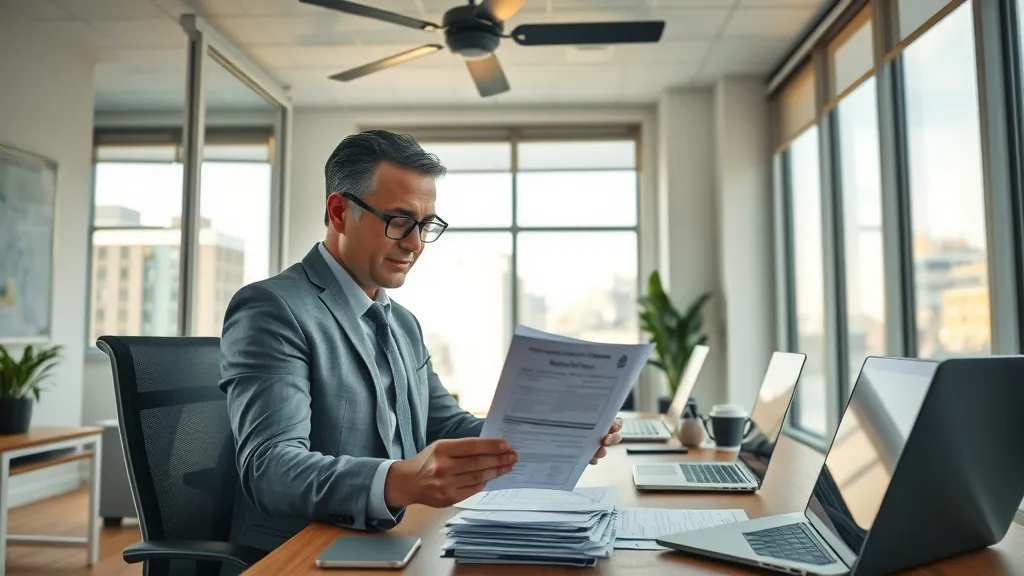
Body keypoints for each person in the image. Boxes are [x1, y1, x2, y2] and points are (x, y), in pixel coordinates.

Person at [219, 129, 623, 552]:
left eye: (425, 225)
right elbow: (270, 469)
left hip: (399, 538)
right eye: (399, 222)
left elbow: (446, 426)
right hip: (306, 549)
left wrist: (558, 432)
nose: (414, 244)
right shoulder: (273, 308)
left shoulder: (402, 323)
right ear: (339, 212)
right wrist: (401, 481)